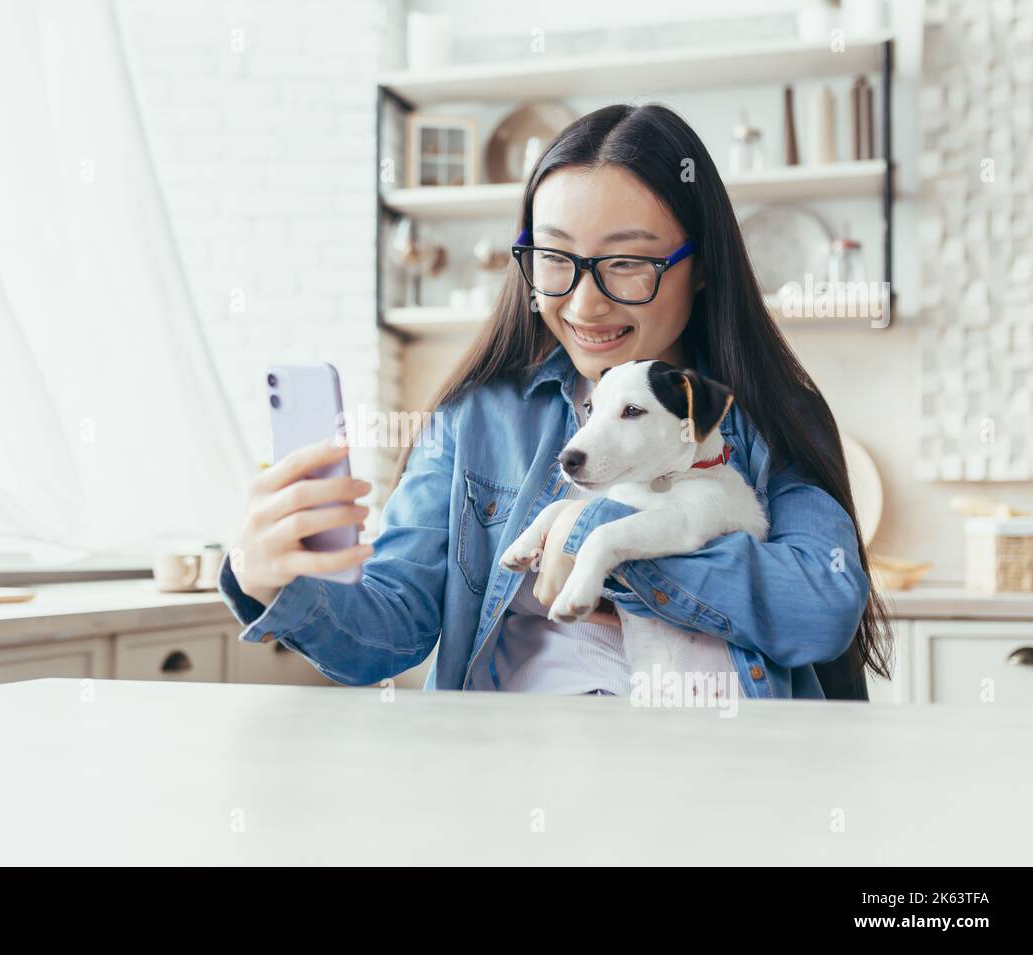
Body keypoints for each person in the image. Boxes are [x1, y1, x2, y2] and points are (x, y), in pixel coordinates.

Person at [218, 103, 891, 700]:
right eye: (555, 257)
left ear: (704, 263)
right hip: (509, 777)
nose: (583, 302)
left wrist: (611, 549)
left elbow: (821, 606)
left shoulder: (771, 417)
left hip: (708, 779)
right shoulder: (477, 419)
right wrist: (272, 579)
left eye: (628, 263)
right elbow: (387, 637)